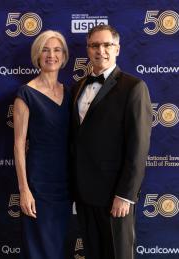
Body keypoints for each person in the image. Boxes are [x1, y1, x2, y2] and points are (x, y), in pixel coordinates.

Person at [71, 24, 153, 259]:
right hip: (85, 196)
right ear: (88, 50)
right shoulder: (77, 88)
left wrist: (125, 195)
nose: (101, 50)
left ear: (117, 49)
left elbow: (138, 147)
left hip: (115, 197)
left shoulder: (134, 87)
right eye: (95, 45)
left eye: (107, 45)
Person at [13, 30, 71, 259]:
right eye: (45, 50)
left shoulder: (70, 92)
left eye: (57, 50)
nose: (51, 55)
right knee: (40, 250)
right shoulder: (25, 93)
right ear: (37, 55)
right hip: (38, 184)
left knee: (58, 248)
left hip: (65, 184)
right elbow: (18, 145)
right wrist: (24, 190)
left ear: (64, 56)